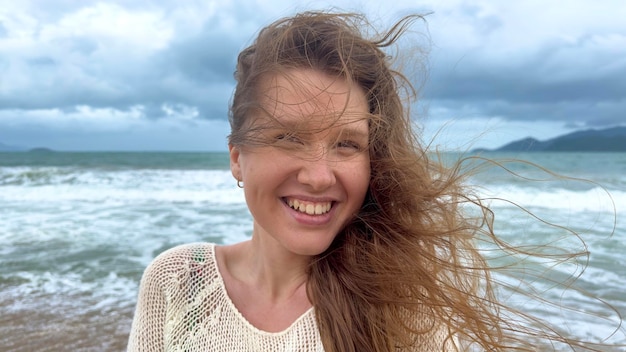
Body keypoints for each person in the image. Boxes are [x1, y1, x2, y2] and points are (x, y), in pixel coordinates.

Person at [127, 11, 620, 352]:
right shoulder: (177, 280)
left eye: (347, 144)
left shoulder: (404, 305)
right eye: (288, 138)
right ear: (237, 157)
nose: (320, 176)